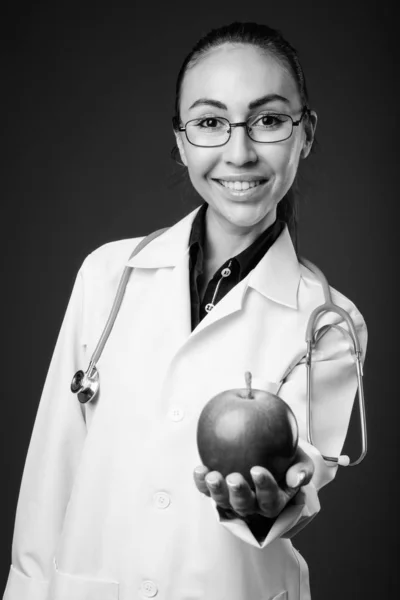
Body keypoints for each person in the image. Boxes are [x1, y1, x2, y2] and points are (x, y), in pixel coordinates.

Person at [3, 21, 367, 600]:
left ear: (306, 133)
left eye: (269, 120)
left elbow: (304, 481)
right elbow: (52, 472)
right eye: (209, 122)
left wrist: (275, 500)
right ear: (180, 139)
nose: (239, 152)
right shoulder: (107, 275)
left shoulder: (328, 323)